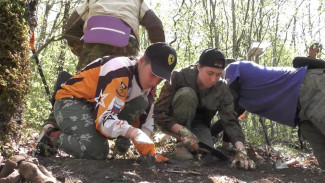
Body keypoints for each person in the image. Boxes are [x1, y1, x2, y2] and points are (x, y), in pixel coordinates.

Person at [36, 43, 177, 160]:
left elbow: (146, 124)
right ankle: (51, 135)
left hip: (96, 108)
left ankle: (116, 144)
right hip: (70, 101)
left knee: (142, 101)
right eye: (153, 74)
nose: (155, 82)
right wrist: (131, 132)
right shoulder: (119, 70)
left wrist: (149, 152)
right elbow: (104, 120)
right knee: (97, 151)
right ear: (141, 61)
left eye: (160, 78)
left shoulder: (148, 89)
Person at [154, 48, 255, 170]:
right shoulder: (178, 77)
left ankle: (192, 144)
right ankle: (181, 144)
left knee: (208, 154)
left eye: (218, 75)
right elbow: (159, 113)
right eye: (210, 73)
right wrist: (182, 132)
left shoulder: (222, 88)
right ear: (198, 67)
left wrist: (241, 149)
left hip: (199, 124)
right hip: (174, 123)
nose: (213, 79)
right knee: (187, 94)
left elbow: (230, 121)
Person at [222, 60, 325, 172]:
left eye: (216, 74)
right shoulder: (242, 100)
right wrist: (217, 144)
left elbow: (231, 108)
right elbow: (231, 117)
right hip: (300, 115)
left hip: (309, 87)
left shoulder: (232, 67)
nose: (213, 80)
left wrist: (226, 146)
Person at [64, 0, 165, 70]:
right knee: (125, 86)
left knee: (84, 84)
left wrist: (82, 50)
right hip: (125, 41)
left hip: (94, 39)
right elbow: (156, 25)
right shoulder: (138, 2)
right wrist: (154, 59)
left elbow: (70, 28)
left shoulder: (91, 1)